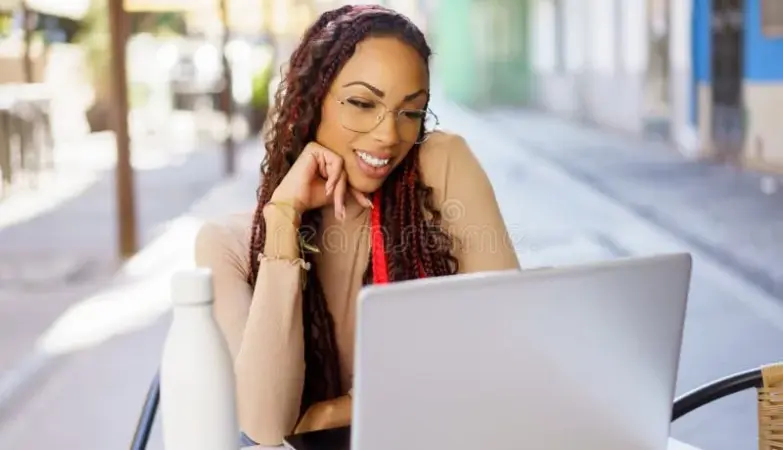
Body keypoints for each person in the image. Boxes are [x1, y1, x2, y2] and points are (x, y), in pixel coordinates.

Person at [194, 4, 520, 447]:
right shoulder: (227, 244)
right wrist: (284, 218)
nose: (389, 135)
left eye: (410, 112)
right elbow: (267, 425)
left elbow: (508, 350)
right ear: (309, 103)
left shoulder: (440, 166)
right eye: (362, 103)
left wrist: (332, 410)